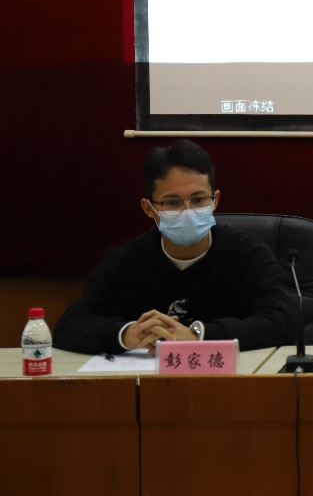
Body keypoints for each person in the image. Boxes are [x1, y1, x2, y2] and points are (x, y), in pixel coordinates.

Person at [54, 140, 295, 354]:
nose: (187, 211)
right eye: (172, 202)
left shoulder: (248, 255)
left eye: (198, 200)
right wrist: (127, 334)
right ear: (149, 208)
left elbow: (281, 323)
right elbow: (69, 327)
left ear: (215, 201)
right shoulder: (125, 261)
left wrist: (198, 335)